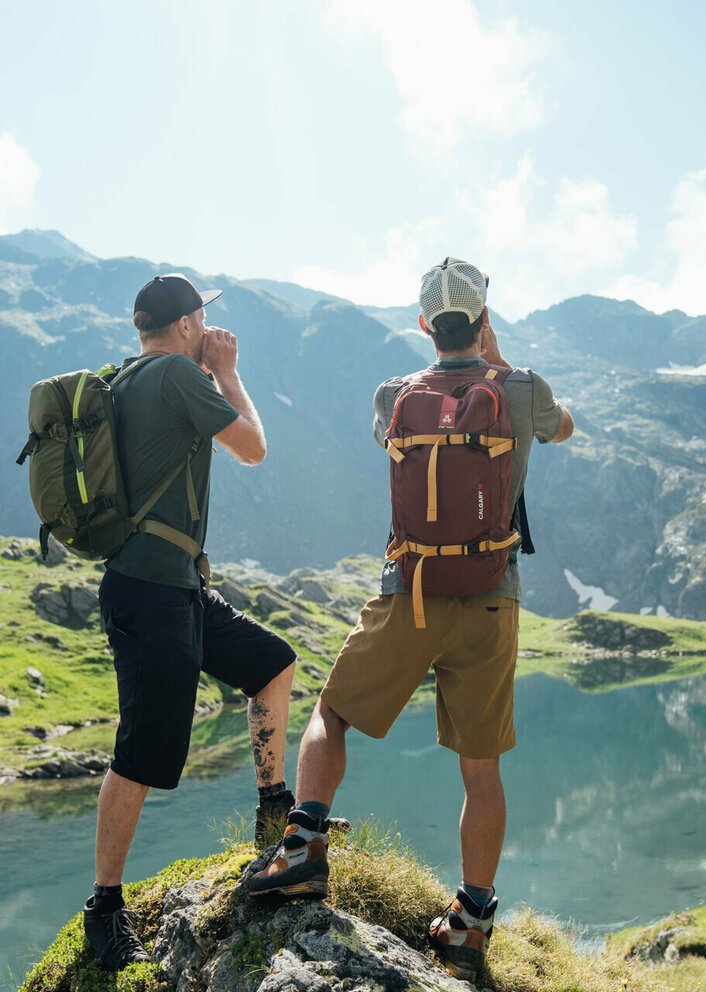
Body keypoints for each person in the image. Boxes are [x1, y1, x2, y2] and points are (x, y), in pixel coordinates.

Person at [249, 257, 574, 984]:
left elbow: (386, 440)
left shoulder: (394, 394)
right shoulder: (520, 392)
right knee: (480, 771)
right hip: (492, 600)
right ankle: (469, 926)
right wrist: (501, 365)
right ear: (485, 319)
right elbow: (564, 427)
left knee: (330, 713)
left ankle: (301, 847)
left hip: (409, 592)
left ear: (424, 324)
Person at [83, 274, 298, 970]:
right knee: (142, 753)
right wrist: (230, 374)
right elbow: (254, 447)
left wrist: (208, 367)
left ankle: (274, 812)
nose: (209, 327)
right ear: (183, 325)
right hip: (151, 591)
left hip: (172, 589)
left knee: (271, 663)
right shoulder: (180, 372)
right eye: (203, 317)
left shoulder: (130, 377)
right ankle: (104, 910)